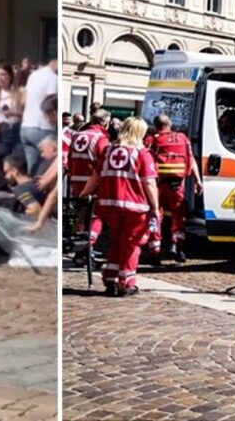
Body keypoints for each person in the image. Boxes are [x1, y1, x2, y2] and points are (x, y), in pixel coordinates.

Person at [79, 117, 160, 298]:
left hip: (110, 204)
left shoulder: (109, 150)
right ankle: (127, 282)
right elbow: (150, 183)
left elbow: (96, 176)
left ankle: (110, 278)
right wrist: (155, 207)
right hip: (136, 206)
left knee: (117, 240)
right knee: (132, 245)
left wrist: (84, 194)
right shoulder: (143, 153)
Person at [145, 114, 203, 263]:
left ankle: (154, 251)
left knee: (156, 215)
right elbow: (191, 160)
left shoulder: (152, 140)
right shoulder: (182, 138)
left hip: (157, 185)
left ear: (156, 126)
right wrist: (198, 181)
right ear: (170, 125)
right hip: (177, 185)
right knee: (178, 216)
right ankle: (177, 247)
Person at [20, 59, 58, 174]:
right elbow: (50, 103)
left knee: (32, 169)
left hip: (26, 126)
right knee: (51, 164)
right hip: (42, 127)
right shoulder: (53, 78)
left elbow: (22, 100)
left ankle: (33, 189)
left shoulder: (33, 75)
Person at [0, 65, 22, 157]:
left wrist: (15, 113)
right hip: (1, 129)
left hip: (17, 128)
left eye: (3, 74)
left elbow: (26, 114)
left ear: (10, 76)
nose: (0, 78)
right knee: (1, 155)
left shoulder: (19, 92)